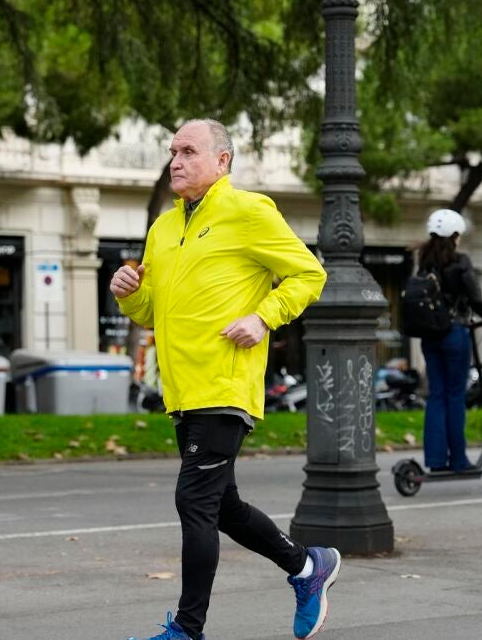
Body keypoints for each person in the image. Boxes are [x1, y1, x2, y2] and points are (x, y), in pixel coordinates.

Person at [112, 120, 334, 640]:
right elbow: (153, 311)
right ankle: (308, 567)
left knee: (194, 501)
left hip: (225, 384)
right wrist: (128, 293)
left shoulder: (249, 212)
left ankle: (188, 630)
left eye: (189, 151)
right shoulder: (162, 228)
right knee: (223, 507)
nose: (176, 161)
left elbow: (309, 274)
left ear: (222, 160)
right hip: (183, 390)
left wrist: (263, 317)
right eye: (173, 151)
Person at [416, 209, 482, 472]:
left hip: (430, 336)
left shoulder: (424, 262)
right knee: (455, 395)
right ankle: (459, 459)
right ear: (454, 235)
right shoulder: (460, 261)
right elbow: (475, 297)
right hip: (454, 333)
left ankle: (435, 460)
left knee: (436, 395)